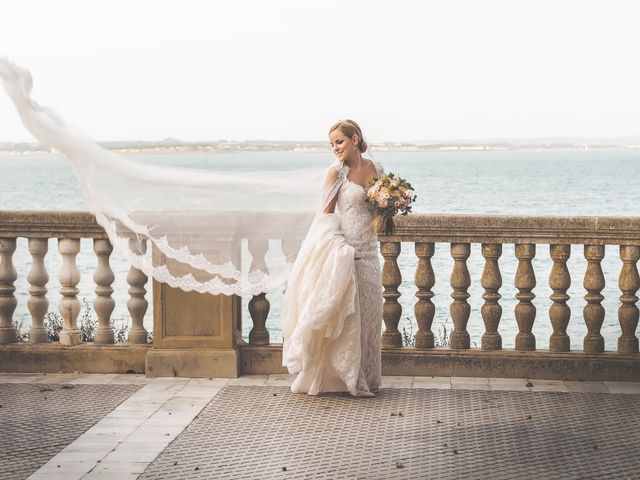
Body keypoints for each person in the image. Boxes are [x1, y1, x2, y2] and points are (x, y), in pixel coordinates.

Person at [281, 119, 384, 398]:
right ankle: (347, 378)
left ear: (355, 139)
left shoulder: (376, 169)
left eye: (339, 142)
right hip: (347, 252)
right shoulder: (336, 173)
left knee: (370, 315)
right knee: (349, 317)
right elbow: (326, 215)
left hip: (370, 251)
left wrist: (390, 205)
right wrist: (338, 248)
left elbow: (378, 213)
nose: (335, 148)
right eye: (332, 144)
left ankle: (369, 376)